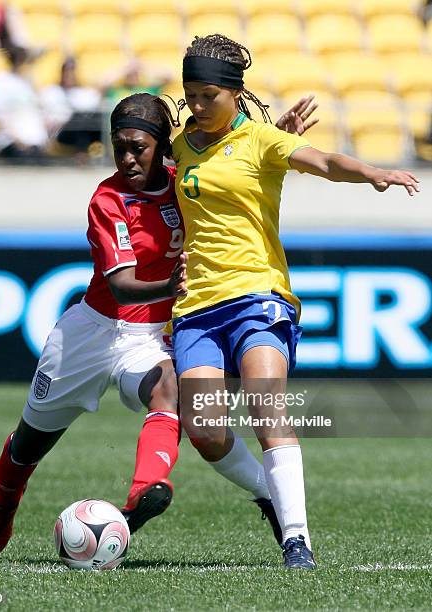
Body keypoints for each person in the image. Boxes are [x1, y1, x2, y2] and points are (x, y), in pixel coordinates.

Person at [0, 90, 320, 556]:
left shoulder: (188, 183)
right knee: (27, 445)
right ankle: (5, 502)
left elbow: (239, 180)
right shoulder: (107, 198)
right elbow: (121, 285)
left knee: (171, 390)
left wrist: (275, 145)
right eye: (118, 146)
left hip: (149, 338)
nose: (126, 157)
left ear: (162, 145)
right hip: (92, 329)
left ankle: (145, 490)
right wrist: (170, 287)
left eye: (137, 146)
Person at [170, 34, 420, 570]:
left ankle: (297, 540)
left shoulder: (263, 140)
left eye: (207, 93)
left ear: (234, 92)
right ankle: (270, 493)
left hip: (257, 292)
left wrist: (372, 173)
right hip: (196, 307)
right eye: (190, 93)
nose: (196, 104)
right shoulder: (179, 145)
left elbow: (325, 160)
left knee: (266, 403)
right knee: (206, 429)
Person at [0, 46, 49, 163]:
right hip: (10, 141)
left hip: (34, 141)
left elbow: (39, 109)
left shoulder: (28, 81)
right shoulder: (0, 81)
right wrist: (18, 140)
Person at [41, 56, 103, 157]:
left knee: (94, 118)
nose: (69, 75)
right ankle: (81, 154)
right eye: (67, 72)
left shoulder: (83, 93)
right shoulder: (51, 91)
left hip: (81, 130)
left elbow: (96, 101)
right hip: (61, 131)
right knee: (77, 117)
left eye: (72, 72)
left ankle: (84, 152)